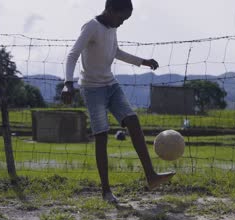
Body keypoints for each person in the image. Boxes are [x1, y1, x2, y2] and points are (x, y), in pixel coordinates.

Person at [61, 0, 175, 203]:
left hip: (111, 85)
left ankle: (151, 176)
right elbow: (72, 55)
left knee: (132, 120)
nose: (122, 23)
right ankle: (106, 191)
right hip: (92, 89)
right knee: (102, 135)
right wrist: (68, 84)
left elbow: (116, 52)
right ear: (110, 10)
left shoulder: (112, 27)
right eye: (121, 17)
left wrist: (142, 61)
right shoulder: (91, 27)